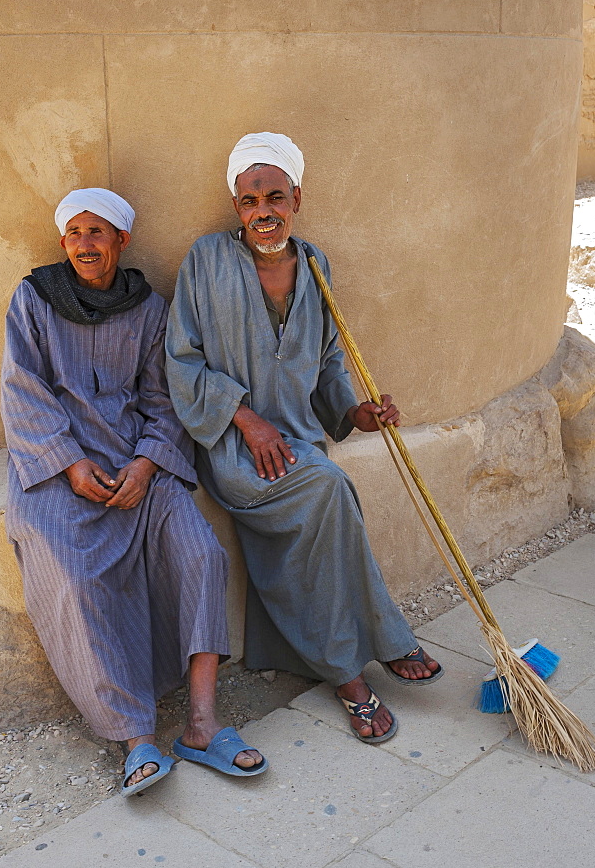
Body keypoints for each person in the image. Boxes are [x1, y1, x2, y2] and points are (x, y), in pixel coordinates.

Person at [165, 133, 443, 744]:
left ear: (296, 197)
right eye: (248, 201)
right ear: (236, 208)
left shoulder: (315, 263)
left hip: (297, 443)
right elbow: (181, 363)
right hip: (233, 449)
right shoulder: (206, 260)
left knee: (323, 487)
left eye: (274, 196)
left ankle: (353, 644)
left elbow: (328, 363)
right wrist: (245, 417)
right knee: (330, 490)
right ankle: (350, 670)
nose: (262, 210)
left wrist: (358, 412)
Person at [0, 187, 266, 792]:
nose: (84, 245)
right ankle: (136, 737)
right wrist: (69, 464)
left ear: (121, 239)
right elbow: (22, 391)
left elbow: (163, 398)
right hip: (57, 474)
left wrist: (148, 465)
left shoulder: (150, 310)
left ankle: (202, 724)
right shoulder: (33, 300)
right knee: (74, 575)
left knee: (201, 554)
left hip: (138, 469)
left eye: (98, 233)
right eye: (74, 234)